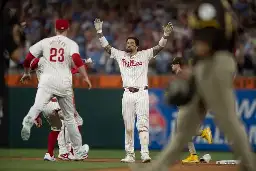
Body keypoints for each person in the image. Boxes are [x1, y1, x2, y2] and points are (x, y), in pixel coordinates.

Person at [130, 0, 256, 170]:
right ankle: (156, 168)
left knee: (227, 119)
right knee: (185, 125)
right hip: (210, 63)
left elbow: (205, 44)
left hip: (214, 64)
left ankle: (249, 164)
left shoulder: (209, 5)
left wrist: (192, 73)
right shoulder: (219, 4)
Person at [94, 18, 173, 163]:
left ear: (136, 46)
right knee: (128, 126)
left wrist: (165, 36)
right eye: (127, 43)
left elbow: (159, 47)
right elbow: (107, 47)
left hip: (142, 93)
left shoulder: (144, 54)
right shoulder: (121, 55)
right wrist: (99, 32)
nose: (128, 45)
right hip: (127, 94)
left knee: (143, 124)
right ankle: (130, 154)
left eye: (131, 43)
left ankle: (144, 154)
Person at [20, 19, 91, 160]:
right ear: (67, 29)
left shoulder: (45, 43)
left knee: (37, 106)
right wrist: (85, 76)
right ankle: (77, 151)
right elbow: (76, 59)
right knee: (70, 119)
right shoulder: (71, 44)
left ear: (55, 29)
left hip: (46, 81)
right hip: (63, 82)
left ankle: (29, 119)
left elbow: (27, 59)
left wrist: (27, 72)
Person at [31, 57, 91, 161]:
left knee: (56, 128)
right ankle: (73, 152)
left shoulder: (40, 67)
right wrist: (85, 62)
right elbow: (72, 67)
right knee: (76, 121)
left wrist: (36, 115)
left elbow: (31, 65)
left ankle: (50, 154)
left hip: (45, 104)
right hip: (58, 102)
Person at [171, 57, 213, 163]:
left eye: (173, 64)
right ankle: (193, 155)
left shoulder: (182, 74)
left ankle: (203, 132)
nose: (172, 66)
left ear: (178, 64)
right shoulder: (182, 75)